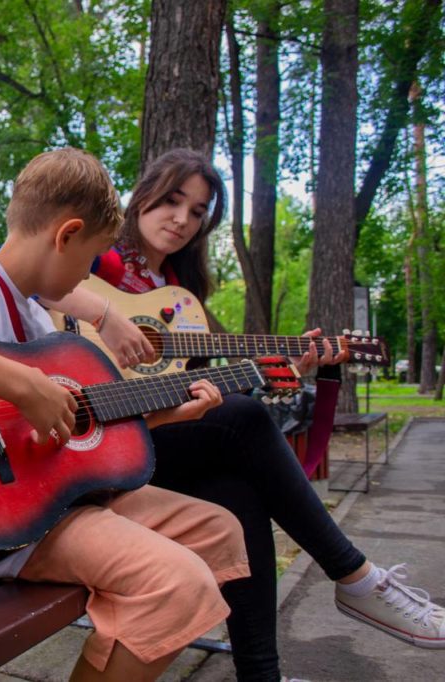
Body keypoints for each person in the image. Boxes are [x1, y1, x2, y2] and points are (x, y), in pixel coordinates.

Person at [0, 147, 251, 682]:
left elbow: (75, 432)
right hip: (3, 516)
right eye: (90, 260)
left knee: (218, 530)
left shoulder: (39, 317)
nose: (88, 279)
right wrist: (22, 384)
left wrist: (166, 416)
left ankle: (125, 635)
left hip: (55, 496)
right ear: (66, 234)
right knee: (178, 583)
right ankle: (142, 613)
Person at [49, 148, 445, 681]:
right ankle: (354, 575)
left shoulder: (182, 299)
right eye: (172, 201)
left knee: (240, 489)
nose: (183, 219)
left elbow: (205, 385)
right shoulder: (104, 260)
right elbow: (37, 277)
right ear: (142, 197)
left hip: (149, 436)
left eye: (197, 211)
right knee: (245, 421)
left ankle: (262, 674)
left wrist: (291, 368)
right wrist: (106, 317)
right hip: (89, 436)